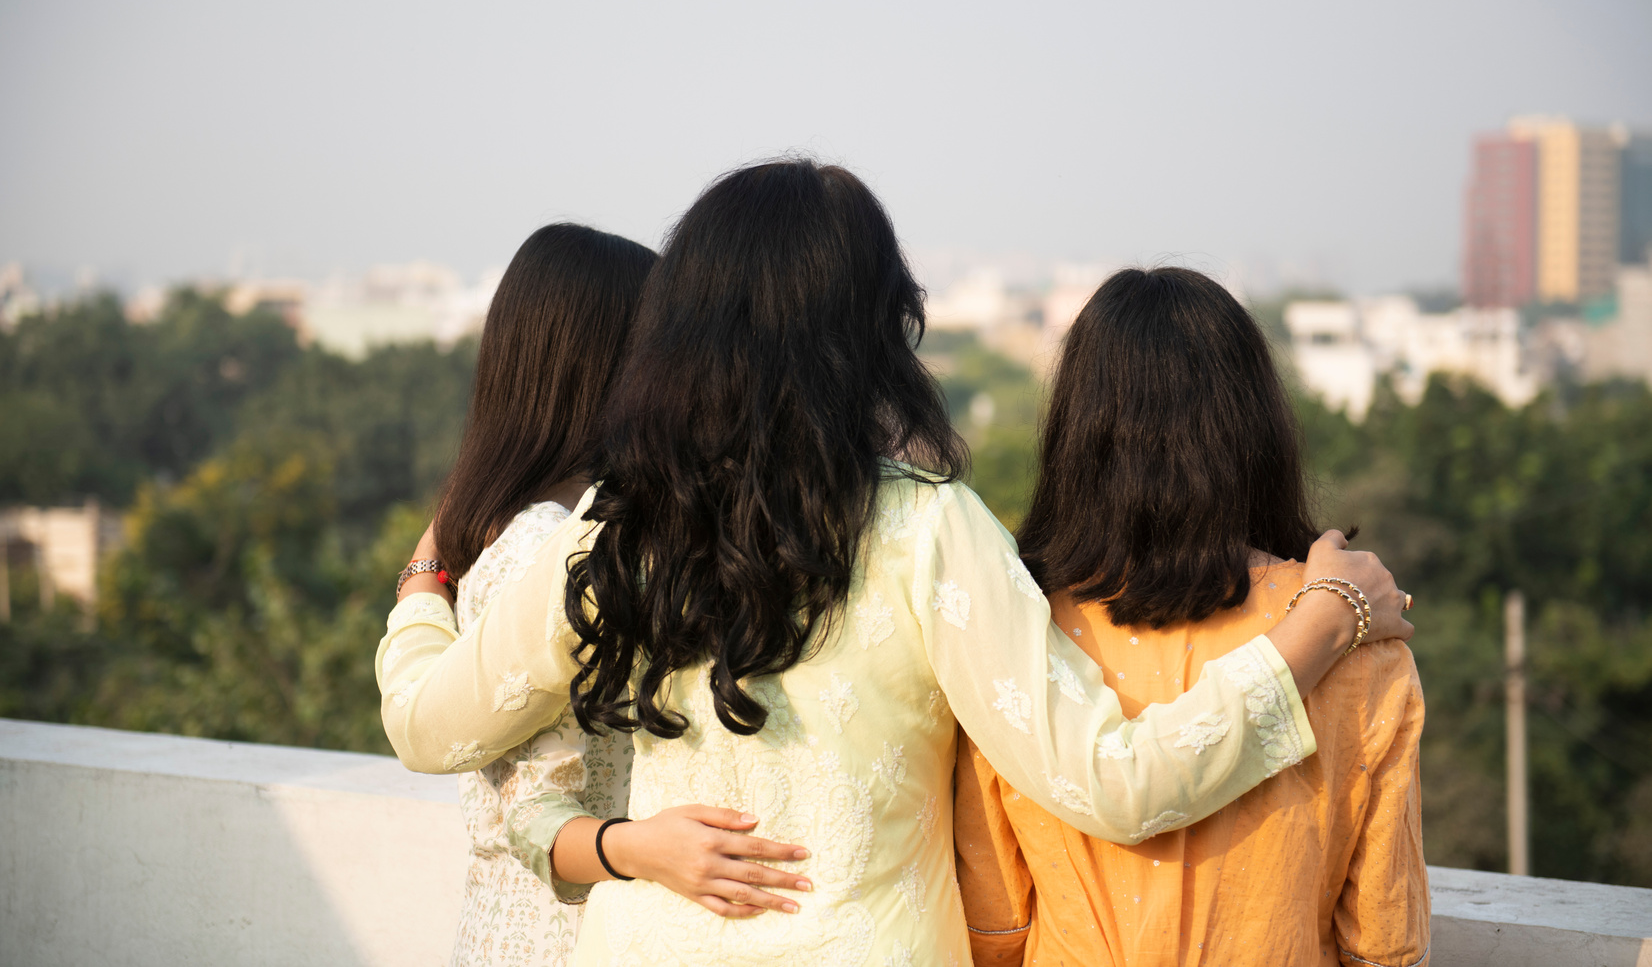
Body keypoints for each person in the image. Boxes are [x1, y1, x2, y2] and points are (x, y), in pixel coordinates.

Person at [378, 160, 1413, 966]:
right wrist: (1314, 626)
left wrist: (424, 591)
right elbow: (1113, 781)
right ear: (870, 328)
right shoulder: (930, 532)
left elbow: (427, 728)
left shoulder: (613, 532)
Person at [954, 266, 1428, 967]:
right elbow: (1384, 940)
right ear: (1256, 427)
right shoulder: (1356, 637)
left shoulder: (1019, 634)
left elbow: (994, 927)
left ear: (1078, 437)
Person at [400, 223, 802, 966]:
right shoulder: (541, 546)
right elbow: (524, 811)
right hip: (556, 937)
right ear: (609, 365)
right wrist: (651, 848)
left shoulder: (570, 531)